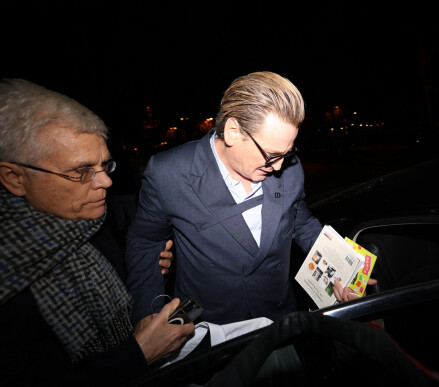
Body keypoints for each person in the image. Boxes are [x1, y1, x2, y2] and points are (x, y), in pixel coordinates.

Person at [0, 79, 196, 385]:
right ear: (14, 178)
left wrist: (139, 271)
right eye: (81, 171)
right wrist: (137, 356)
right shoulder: (11, 282)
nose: (105, 182)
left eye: (105, 165)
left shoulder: (89, 226)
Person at [126, 71, 327, 325]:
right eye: (271, 155)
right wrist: (148, 316)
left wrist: (343, 270)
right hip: (205, 326)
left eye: (286, 153)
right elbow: (144, 242)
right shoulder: (169, 173)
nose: (278, 168)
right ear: (233, 131)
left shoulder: (290, 167)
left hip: (278, 317)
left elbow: (300, 221)